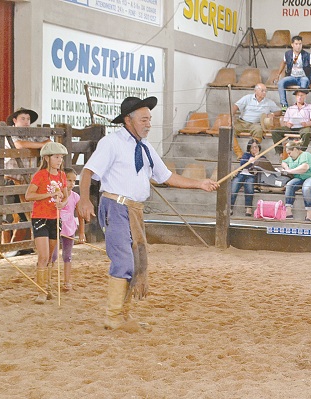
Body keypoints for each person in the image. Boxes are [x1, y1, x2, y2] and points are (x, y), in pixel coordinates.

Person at [76, 96, 219, 330]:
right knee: (124, 260)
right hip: (115, 206)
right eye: (144, 119)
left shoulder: (146, 148)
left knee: (136, 261)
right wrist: (83, 199)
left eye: (150, 119)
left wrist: (199, 184)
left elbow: (167, 177)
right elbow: (88, 171)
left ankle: (123, 315)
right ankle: (113, 317)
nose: (148, 124)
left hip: (134, 210)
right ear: (128, 120)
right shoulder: (112, 143)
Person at [24, 142, 69, 304]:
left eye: (61, 158)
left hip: (55, 218)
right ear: (47, 158)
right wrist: (47, 195)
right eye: (56, 157)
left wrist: (62, 204)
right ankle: (41, 291)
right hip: (40, 217)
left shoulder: (62, 176)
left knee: (50, 256)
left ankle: (47, 287)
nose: (59, 160)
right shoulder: (40, 175)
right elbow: (29, 195)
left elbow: (66, 195)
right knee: (43, 256)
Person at [3, 107, 50, 247]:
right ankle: (7, 246)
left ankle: (20, 246)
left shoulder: (32, 134)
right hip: (11, 179)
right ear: (15, 120)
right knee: (9, 215)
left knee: (25, 214)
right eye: (23, 118)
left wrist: (39, 145)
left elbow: (49, 142)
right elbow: (19, 145)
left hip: (27, 181)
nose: (26, 122)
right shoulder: (9, 133)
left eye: (28, 119)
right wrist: (40, 146)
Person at [51, 168, 85, 291]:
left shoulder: (76, 197)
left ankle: (67, 281)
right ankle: (48, 281)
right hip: (55, 228)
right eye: (69, 180)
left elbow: (80, 216)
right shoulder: (57, 195)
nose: (71, 183)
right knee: (53, 255)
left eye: (74, 181)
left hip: (69, 229)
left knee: (67, 256)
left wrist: (81, 233)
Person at [231, 83, 281, 157]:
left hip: (256, 124)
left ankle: (252, 153)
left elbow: (279, 111)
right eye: (262, 91)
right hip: (242, 122)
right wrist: (231, 116)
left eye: (265, 91)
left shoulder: (269, 102)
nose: (264, 93)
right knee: (229, 130)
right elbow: (235, 106)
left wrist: (272, 114)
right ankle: (239, 153)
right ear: (255, 91)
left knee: (258, 130)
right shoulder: (247, 98)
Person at [274, 35, 311, 111]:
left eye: (300, 44)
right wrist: (278, 75)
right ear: (292, 45)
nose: (298, 46)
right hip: (292, 77)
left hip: (304, 77)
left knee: (304, 82)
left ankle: (300, 105)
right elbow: (283, 63)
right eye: (296, 44)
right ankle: (284, 105)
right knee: (281, 83)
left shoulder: (307, 55)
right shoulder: (287, 54)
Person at [280, 141, 311, 222]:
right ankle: (288, 211)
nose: (289, 155)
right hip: (300, 178)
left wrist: (291, 171)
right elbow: (284, 162)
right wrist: (287, 168)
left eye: (290, 153)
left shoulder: (306, 155)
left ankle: (308, 213)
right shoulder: (291, 158)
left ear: (295, 149)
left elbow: (304, 168)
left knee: (306, 188)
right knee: (289, 185)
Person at [270, 90, 311, 160]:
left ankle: (300, 152)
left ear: (305, 96)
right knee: (275, 131)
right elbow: (285, 121)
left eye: (302, 95)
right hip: (291, 127)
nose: (300, 97)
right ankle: (280, 153)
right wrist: (287, 124)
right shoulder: (290, 108)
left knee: (307, 131)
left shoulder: (310, 107)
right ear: (296, 97)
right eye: (298, 95)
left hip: (303, 127)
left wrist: (306, 124)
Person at [231, 138, 261, 217]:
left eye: (256, 147)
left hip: (251, 176)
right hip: (242, 174)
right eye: (252, 147)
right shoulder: (246, 155)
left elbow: (262, 167)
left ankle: (249, 208)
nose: (254, 149)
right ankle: (229, 207)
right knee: (234, 185)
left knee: (249, 186)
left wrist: (256, 158)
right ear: (249, 149)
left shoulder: (262, 156)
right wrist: (253, 161)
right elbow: (243, 164)